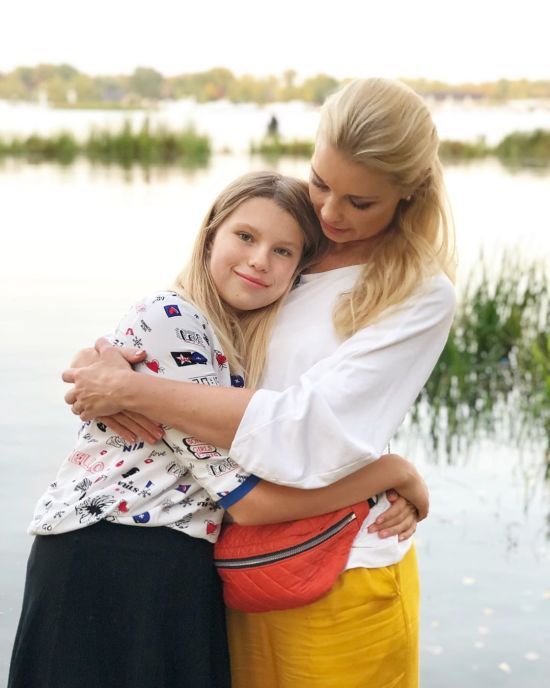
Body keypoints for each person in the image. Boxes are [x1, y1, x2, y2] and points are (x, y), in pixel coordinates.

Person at [63, 77, 456, 687]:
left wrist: (136, 392)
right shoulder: (289, 235)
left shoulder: (418, 294)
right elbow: (190, 325)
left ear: (408, 192)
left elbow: (303, 429)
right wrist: (109, 362)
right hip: (230, 567)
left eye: (360, 202)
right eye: (321, 182)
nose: (331, 213)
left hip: (342, 571)